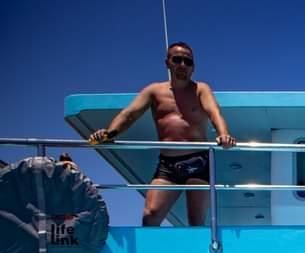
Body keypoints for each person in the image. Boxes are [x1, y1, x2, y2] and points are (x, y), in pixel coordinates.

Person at [88, 41, 236, 226]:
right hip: (168, 165)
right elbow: (129, 114)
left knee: (196, 221)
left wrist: (224, 134)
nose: (182, 65)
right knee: (150, 215)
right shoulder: (154, 91)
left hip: (198, 161)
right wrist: (110, 133)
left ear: (193, 67)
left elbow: (215, 113)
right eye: (177, 59)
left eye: (188, 61)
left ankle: (199, 246)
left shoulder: (201, 89)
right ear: (168, 62)